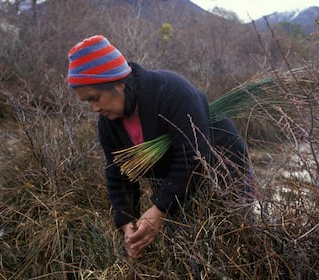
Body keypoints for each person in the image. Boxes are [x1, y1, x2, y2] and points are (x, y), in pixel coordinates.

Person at [67, 35, 254, 259]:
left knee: (235, 242)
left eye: (95, 98)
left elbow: (193, 157)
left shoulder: (172, 91)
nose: (94, 107)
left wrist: (160, 208)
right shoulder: (109, 123)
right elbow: (118, 173)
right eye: (88, 102)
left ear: (119, 82)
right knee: (185, 247)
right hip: (179, 180)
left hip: (225, 170)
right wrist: (127, 221)